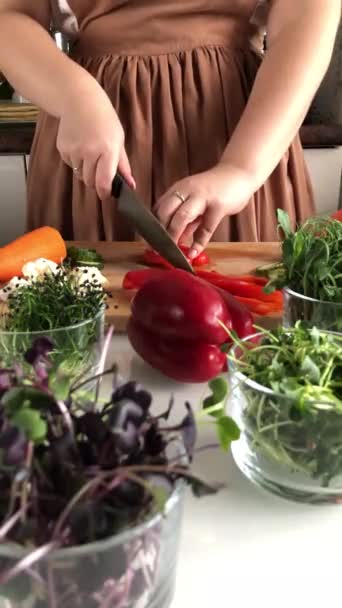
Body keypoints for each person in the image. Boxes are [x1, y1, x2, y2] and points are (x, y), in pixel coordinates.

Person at [0, 1, 339, 257]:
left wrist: (241, 168)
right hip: (92, 131)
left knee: (256, 338)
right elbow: (10, 16)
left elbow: (306, 14)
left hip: (241, 134)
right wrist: (74, 97)